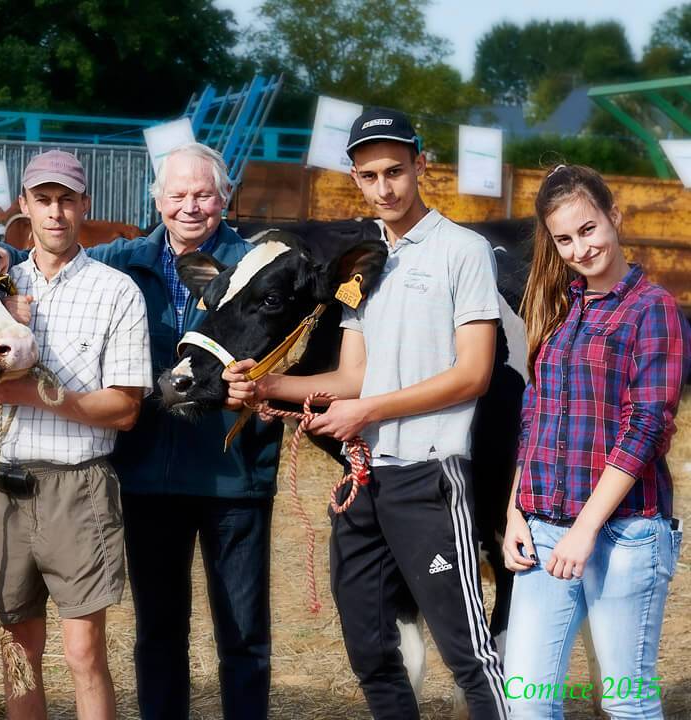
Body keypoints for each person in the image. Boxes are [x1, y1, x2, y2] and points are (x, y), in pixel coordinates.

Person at [226, 107, 509, 719]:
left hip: (429, 476)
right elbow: (351, 376)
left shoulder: (464, 251)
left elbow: (473, 374)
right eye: (370, 175)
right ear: (355, 179)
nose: (385, 187)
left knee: (470, 657)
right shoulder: (364, 267)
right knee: (370, 651)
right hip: (364, 479)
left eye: (395, 171)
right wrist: (268, 385)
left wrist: (367, 411)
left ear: (421, 167)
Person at [0, 142, 283, 719]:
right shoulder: (123, 264)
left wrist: (273, 386)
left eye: (202, 194)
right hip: (148, 474)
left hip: (233, 475)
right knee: (158, 630)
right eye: (176, 194)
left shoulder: (262, 269)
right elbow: (48, 261)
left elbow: (299, 346)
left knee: (244, 632)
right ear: (156, 200)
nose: (189, 206)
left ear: (224, 198)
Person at [0, 150, 152, 720]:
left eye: (67, 200)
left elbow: (125, 409)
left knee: (83, 650)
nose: (56, 213)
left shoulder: (116, 292)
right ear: (24, 207)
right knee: (17, 650)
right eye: (43, 200)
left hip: (78, 487)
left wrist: (38, 393)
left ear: (84, 206)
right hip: (2, 485)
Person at [501, 164, 690, 719]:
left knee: (626, 701)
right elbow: (534, 418)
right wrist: (516, 510)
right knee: (527, 701)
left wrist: (585, 531)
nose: (580, 249)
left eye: (588, 230)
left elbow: (646, 428)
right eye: (564, 239)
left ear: (614, 216)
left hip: (624, 533)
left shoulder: (652, 310)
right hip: (543, 528)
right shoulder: (562, 311)